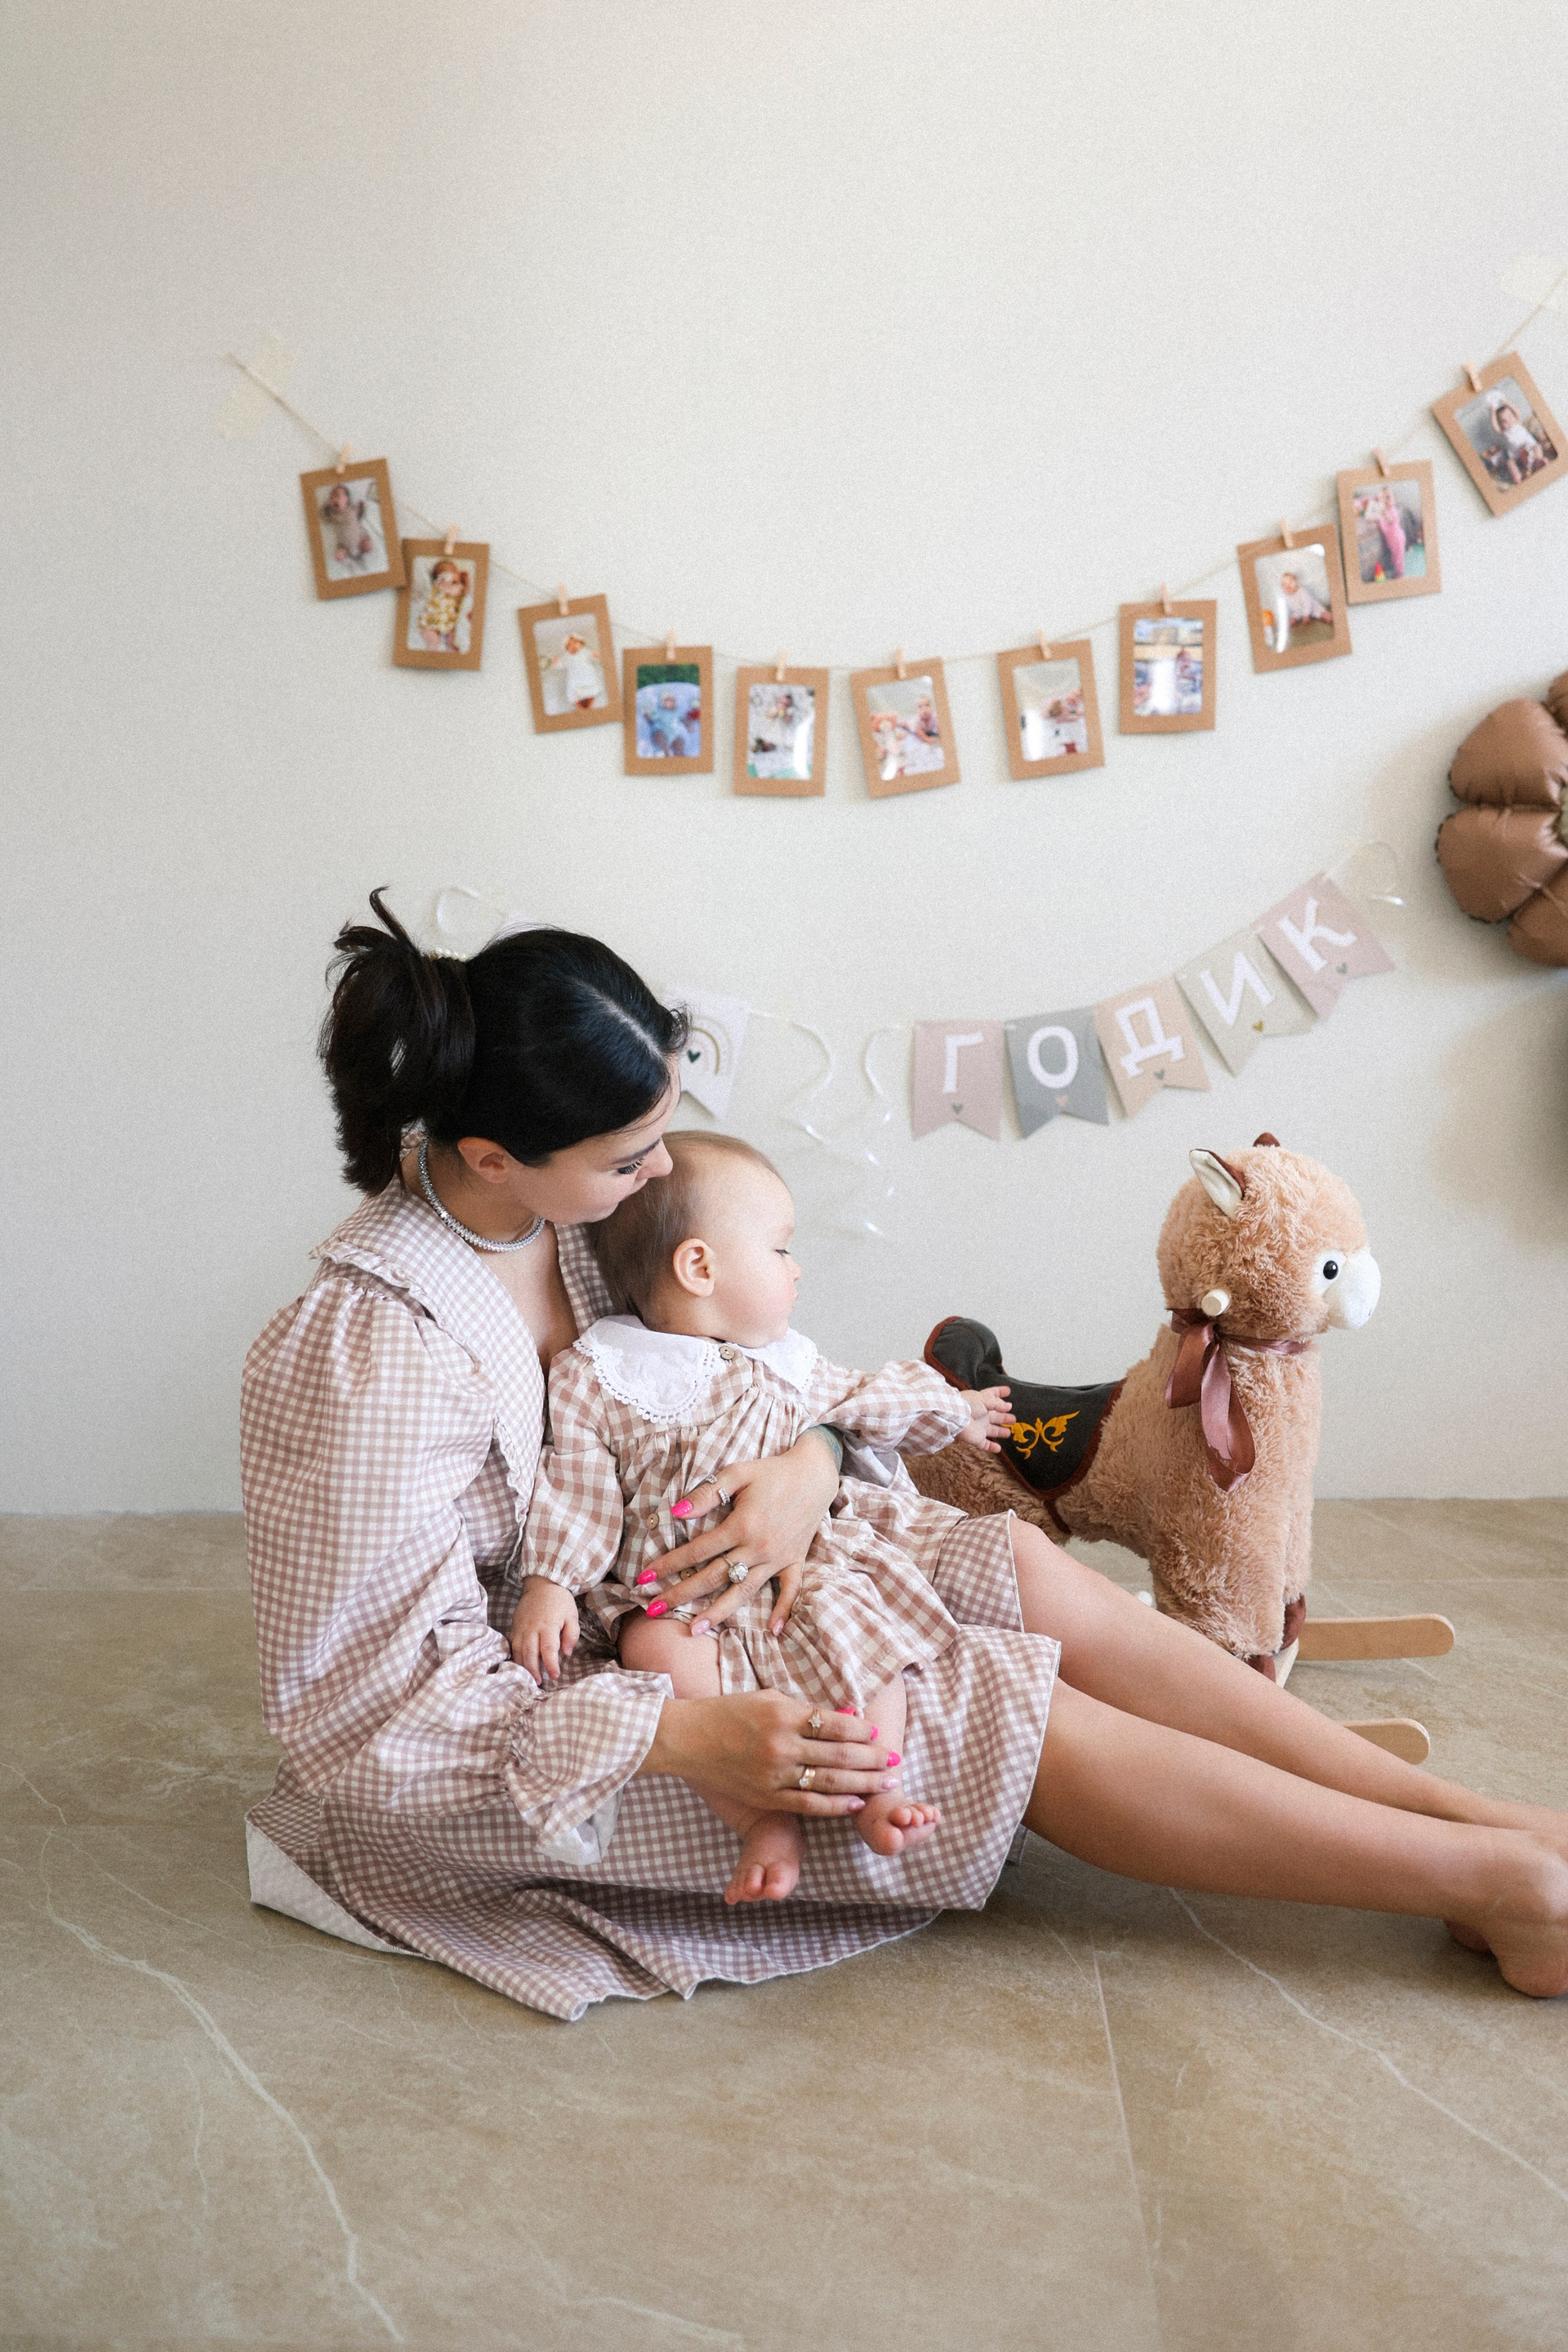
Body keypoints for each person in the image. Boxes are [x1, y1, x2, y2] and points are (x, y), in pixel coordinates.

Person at [240, 893, 1568, 2021]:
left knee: (1018, 1574)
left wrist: (814, 1460)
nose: (661, 1176)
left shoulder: (580, 1215)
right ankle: (1501, 1886)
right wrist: (686, 1734)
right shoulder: (363, 1353)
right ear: (492, 1156)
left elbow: (761, 1373)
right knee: (984, 1704)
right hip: (593, 1692)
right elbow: (368, 1727)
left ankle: (1465, 1818)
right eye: (632, 1157)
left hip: (741, 1559)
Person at [517, 1130, 1013, 1901]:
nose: (797, 1268)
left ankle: (876, 1784)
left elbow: (872, 1398)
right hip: (676, 1596)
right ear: (699, 1266)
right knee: (652, 1653)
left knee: (865, 1632)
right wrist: (550, 1582)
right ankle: (759, 1818)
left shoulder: (789, 1364)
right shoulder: (598, 1371)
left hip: (795, 1574)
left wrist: (954, 1409)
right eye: (780, 1249)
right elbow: (576, 1486)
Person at [543, 628, 605, 711]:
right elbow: (561, 665)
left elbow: (593, 656)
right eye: (569, 645)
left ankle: (589, 706)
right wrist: (556, 663)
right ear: (566, 648)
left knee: (592, 691)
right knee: (575, 695)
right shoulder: (566, 657)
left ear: (581, 643)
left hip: (588, 676)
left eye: (575, 642)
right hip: (574, 680)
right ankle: (581, 708)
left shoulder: (585, 651)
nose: (573, 646)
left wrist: (595, 656)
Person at [415, 558, 470, 653]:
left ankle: (450, 645)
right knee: (433, 640)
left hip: (447, 621)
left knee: (452, 631)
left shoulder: (455, 586)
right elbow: (453, 590)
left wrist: (466, 580)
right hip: (430, 622)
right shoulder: (439, 585)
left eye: (455, 570)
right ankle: (432, 648)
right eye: (452, 571)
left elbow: (465, 592)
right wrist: (459, 584)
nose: (456, 573)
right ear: (440, 576)